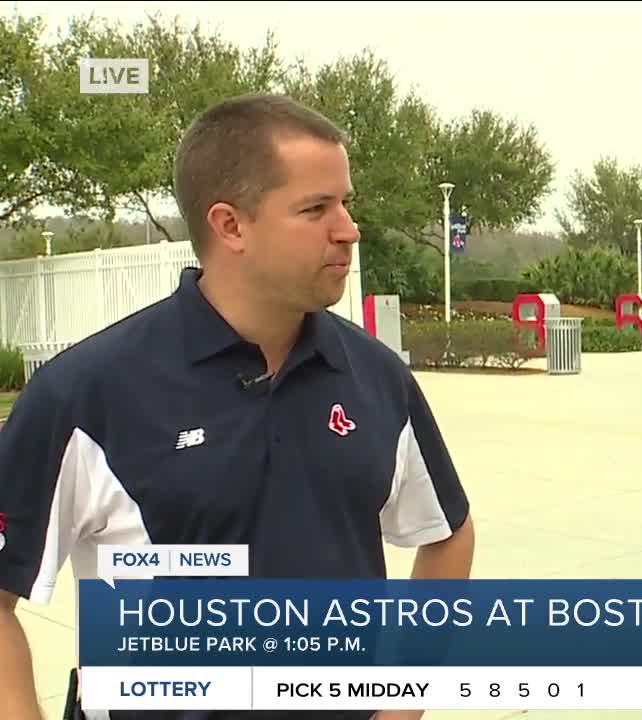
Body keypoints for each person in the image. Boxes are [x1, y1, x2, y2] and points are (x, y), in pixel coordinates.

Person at [0, 94, 475, 720]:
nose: (348, 228)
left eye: (346, 202)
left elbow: (448, 535)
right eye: (315, 208)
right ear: (230, 225)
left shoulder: (377, 378)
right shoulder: (86, 394)